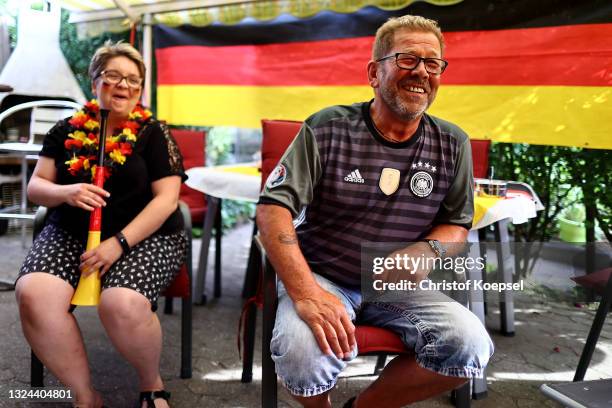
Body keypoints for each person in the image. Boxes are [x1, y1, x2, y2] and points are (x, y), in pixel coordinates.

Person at [257, 15, 494, 408]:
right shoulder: (327, 126)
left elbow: (456, 223)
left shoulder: (454, 143)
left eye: (432, 63)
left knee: (469, 346)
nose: (421, 72)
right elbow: (272, 210)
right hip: (324, 275)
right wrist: (306, 292)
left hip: (396, 286)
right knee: (300, 353)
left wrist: (429, 250)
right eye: (406, 59)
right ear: (374, 72)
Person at [15, 41, 186, 408]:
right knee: (34, 293)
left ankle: (150, 385)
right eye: (113, 76)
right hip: (71, 231)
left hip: (145, 236)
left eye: (133, 80)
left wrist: (118, 243)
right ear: (94, 81)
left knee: (121, 303)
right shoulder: (65, 130)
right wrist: (66, 192)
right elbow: (37, 187)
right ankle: (84, 395)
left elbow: (167, 200)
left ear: (140, 89)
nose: (124, 85)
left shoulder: (153, 133)